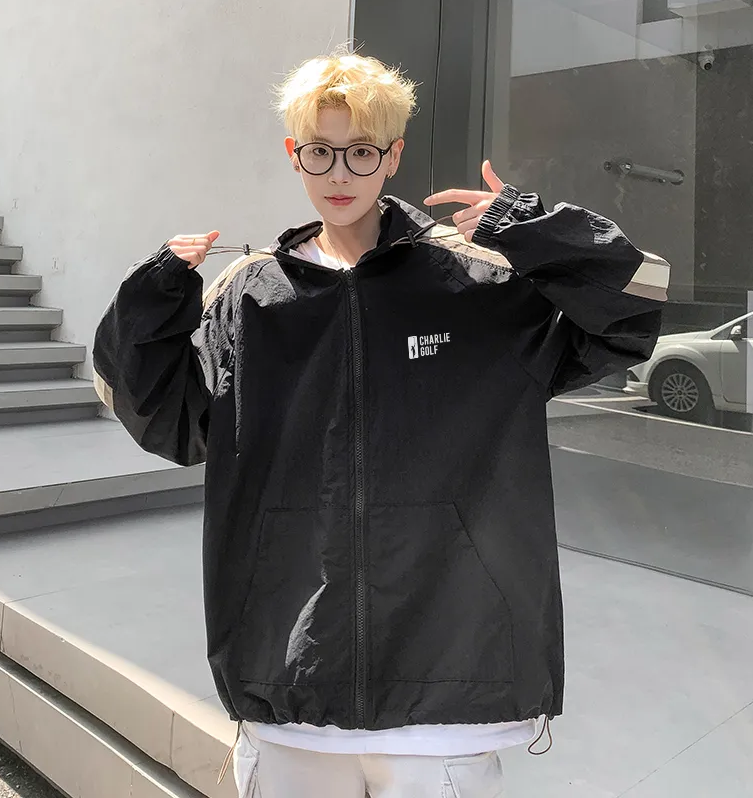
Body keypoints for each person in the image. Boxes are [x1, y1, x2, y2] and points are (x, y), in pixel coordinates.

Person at [93, 48, 670, 798]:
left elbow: (631, 314)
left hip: (452, 698)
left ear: (393, 156)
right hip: (288, 686)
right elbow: (163, 419)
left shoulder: (480, 282)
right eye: (321, 151)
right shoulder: (249, 296)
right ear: (294, 153)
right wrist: (151, 300)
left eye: (361, 151)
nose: (340, 173)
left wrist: (533, 232)